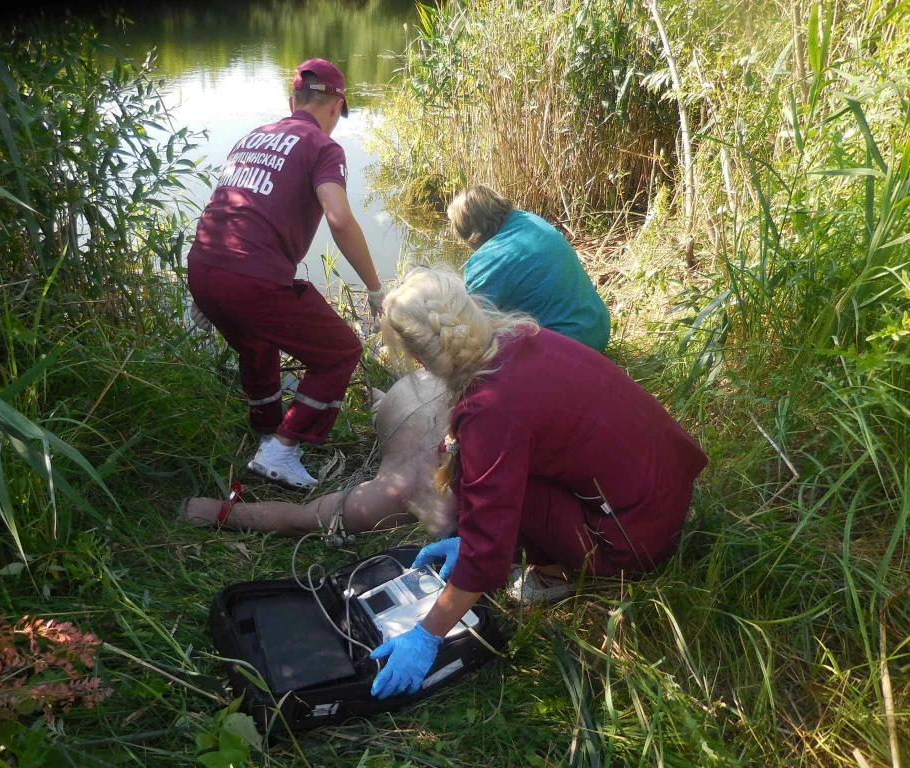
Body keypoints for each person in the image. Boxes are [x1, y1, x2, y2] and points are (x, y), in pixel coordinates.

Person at [367, 268, 707, 699]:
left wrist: (427, 634)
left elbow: (488, 549)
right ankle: (554, 553)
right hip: (662, 490)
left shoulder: (489, 410)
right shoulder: (521, 338)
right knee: (479, 470)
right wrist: (468, 534)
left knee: (487, 485)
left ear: (420, 359)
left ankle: (557, 574)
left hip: (634, 536)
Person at [187, 58, 386, 491]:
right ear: (336, 106)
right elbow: (339, 218)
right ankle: (281, 450)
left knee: (256, 344)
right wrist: (375, 288)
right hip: (250, 275)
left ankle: (266, 431)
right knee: (339, 352)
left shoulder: (252, 137)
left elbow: (225, 206)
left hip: (202, 265)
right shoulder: (322, 146)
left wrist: (206, 292)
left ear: (291, 101)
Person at [180, 369, 456, 538]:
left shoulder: (395, 497)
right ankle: (378, 402)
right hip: (414, 396)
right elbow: (300, 519)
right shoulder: (396, 496)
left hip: (418, 391)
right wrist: (221, 512)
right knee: (390, 416)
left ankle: (379, 402)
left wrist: (222, 513)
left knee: (389, 414)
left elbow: (301, 518)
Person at [448, 185, 611, 352]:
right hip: (598, 328)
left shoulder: (486, 261)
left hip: (570, 346)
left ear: (470, 234)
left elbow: (472, 330)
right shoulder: (529, 220)